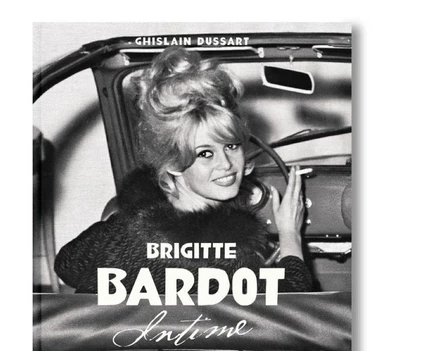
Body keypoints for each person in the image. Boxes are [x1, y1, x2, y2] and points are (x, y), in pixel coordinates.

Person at [55, 47, 312, 295]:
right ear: (173, 163)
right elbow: (293, 307)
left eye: (231, 146)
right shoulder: (231, 258)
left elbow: (67, 265)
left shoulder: (122, 228)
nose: (226, 164)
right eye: (205, 153)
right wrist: (290, 233)